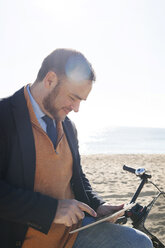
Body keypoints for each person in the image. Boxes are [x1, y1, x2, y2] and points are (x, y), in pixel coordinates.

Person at [0, 48, 153, 248]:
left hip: (73, 234)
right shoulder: (5, 116)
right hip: (23, 241)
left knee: (140, 243)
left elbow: (77, 177)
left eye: (81, 100)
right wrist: (51, 210)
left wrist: (99, 205)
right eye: (73, 97)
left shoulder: (68, 126)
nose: (77, 108)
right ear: (50, 80)